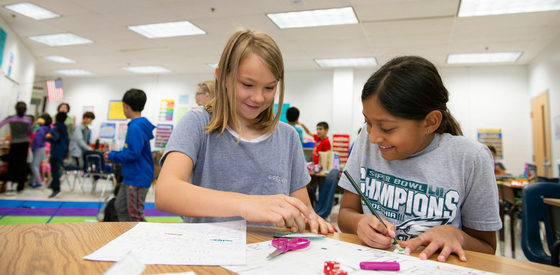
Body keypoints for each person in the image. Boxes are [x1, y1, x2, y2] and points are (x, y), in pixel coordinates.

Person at [155, 28, 334, 234]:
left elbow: (302, 211)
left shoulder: (288, 137)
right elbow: (166, 193)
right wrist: (247, 204)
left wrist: (312, 220)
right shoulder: (197, 123)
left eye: (269, 87)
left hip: (269, 255)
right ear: (222, 77)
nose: (258, 98)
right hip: (209, 254)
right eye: (247, 84)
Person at [337, 56, 501, 262]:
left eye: (387, 128)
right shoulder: (366, 141)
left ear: (430, 122)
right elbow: (346, 213)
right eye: (368, 122)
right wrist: (359, 223)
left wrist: (456, 236)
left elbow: (487, 248)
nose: (374, 137)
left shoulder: (471, 158)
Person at [103, 89, 155, 222]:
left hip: (137, 177)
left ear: (126, 106)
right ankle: (127, 236)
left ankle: (142, 240)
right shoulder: (136, 125)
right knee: (120, 207)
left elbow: (133, 154)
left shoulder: (135, 127)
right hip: (130, 176)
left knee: (135, 214)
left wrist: (112, 156)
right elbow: (131, 151)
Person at [0, 102, 33, 195]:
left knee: (12, 164)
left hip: (14, 142)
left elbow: (1, 124)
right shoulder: (28, 119)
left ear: (15, 108)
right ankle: (15, 187)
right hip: (24, 143)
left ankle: (8, 186)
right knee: (20, 165)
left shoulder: (10, 118)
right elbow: (29, 132)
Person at [46, 112, 70, 198]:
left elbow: (54, 138)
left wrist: (46, 138)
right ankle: (54, 185)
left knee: (54, 171)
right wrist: (65, 153)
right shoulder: (65, 128)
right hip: (62, 152)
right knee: (57, 169)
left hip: (56, 151)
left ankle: (56, 188)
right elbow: (67, 141)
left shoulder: (56, 128)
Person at [29, 113, 52, 188]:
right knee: (36, 165)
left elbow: (37, 140)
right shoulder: (48, 128)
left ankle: (39, 181)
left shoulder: (41, 129)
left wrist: (33, 148)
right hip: (43, 147)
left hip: (38, 147)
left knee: (33, 165)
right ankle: (33, 181)